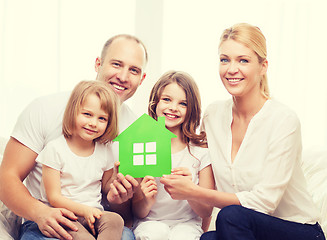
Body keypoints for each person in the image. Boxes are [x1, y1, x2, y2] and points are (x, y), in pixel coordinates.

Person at [160, 23, 325, 240]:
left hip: (296, 230)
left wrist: (193, 191)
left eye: (243, 60)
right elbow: (201, 167)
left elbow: (264, 203)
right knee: (207, 238)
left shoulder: (284, 120)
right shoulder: (213, 116)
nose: (231, 69)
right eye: (224, 59)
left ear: (263, 66)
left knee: (230, 216)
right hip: (243, 230)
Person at [0, 34, 147, 240]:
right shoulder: (44, 109)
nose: (123, 76)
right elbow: (7, 178)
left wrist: (119, 198)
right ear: (98, 63)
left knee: (125, 233)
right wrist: (41, 213)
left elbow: (125, 215)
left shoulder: (139, 133)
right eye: (116, 64)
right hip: (47, 219)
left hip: (98, 221)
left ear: (142, 78)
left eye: (134, 70)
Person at [132, 71, 215, 240]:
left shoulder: (201, 153)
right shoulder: (142, 148)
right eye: (167, 99)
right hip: (150, 222)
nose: (173, 108)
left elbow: (206, 211)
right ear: (155, 103)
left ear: (191, 109)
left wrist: (190, 191)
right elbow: (138, 212)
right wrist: (146, 199)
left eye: (183, 103)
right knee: (152, 234)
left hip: (187, 225)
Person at [36, 80, 124, 239]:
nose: (93, 123)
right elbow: (54, 198)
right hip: (63, 214)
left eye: (102, 119)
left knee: (116, 220)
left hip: (95, 214)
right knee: (82, 237)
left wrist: (115, 179)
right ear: (73, 111)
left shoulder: (105, 151)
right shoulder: (55, 149)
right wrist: (85, 211)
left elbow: (106, 187)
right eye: (87, 114)